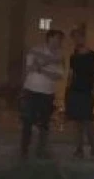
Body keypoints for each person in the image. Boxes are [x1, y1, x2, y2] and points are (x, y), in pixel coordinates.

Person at [21, 30, 66, 159]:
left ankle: (41, 151)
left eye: (60, 40)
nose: (59, 42)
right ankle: (24, 151)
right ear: (50, 39)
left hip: (47, 93)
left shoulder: (59, 55)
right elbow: (30, 68)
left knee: (44, 123)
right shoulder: (36, 50)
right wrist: (49, 63)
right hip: (31, 90)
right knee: (28, 121)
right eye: (57, 39)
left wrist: (41, 68)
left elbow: (58, 75)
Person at [65, 26, 94, 158]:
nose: (76, 40)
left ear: (84, 38)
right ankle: (79, 149)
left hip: (87, 92)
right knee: (77, 122)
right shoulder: (73, 56)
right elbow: (71, 74)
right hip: (75, 91)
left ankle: (93, 148)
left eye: (78, 37)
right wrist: (67, 90)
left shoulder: (93, 56)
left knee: (87, 121)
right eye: (74, 38)